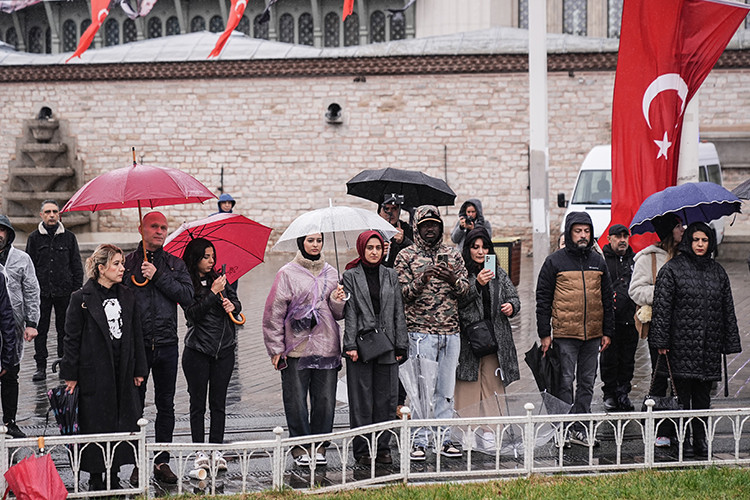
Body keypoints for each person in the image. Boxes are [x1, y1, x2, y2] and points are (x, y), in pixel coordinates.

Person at [649, 222, 741, 459]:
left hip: (708, 347)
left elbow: (727, 309)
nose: (700, 244)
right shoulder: (672, 270)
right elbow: (662, 309)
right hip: (681, 346)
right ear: (689, 241)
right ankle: (683, 439)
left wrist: (729, 342)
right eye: (696, 240)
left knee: (702, 398)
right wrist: (661, 341)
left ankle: (700, 439)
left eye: (705, 240)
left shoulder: (717, 271)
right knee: (682, 397)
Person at [60, 244, 147, 491]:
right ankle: (97, 476)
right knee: (96, 423)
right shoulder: (81, 298)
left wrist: (139, 368)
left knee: (121, 421)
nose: (123, 268)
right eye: (116, 264)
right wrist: (71, 375)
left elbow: (136, 333)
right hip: (94, 373)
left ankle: (115, 471)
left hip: (122, 371)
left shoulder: (127, 296)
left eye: (122, 263)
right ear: (101, 268)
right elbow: (71, 338)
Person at [262, 233, 346, 467]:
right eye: (310, 240)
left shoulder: (331, 272)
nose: (315, 245)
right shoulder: (287, 273)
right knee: (296, 399)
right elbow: (273, 313)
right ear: (301, 243)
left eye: (319, 240)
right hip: (296, 348)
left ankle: (319, 445)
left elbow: (338, 314)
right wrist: (276, 348)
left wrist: (339, 300)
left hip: (326, 346)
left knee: (325, 400)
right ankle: (300, 446)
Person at [395, 205, 470, 461]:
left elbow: (466, 291)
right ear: (416, 227)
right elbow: (402, 294)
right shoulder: (405, 256)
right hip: (420, 332)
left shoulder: (453, 254)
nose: (430, 229)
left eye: (434, 225)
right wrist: (422, 278)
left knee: (445, 390)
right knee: (420, 391)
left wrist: (452, 279)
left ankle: (443, 438)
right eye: (425, 225)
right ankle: (418, 440)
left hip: (450, 333)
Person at [124, 211, 193, 484]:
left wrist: (158, 275)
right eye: (154, 226)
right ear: (141, 228)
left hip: (166, 343)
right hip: (137, 345)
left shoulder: (174, 264)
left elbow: (187, 296)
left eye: (164, 227)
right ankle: (137, 461)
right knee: (134, 405)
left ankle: (161, 460)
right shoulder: (127, 263)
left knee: (166, 404)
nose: (160, 231)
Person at [535, 211, 613, 446]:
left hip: (592, 335)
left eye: (586, 231)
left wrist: (607, 331)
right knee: (565, 382)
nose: (582, 235)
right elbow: (543, 298)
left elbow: (608, 298)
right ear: (569, 232)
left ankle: (581, 428)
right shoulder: (554, 261)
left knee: (587, 383)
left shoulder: (598, 261)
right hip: (565, 334)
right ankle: (563, 429)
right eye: (578, 231)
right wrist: (544, 333)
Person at [342, 231, 408, 466]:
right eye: (369, 247)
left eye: (378, 248)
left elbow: (398, 310)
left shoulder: (390, 274)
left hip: (388, 344)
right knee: (361, 401)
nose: (374, 252)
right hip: (361, 344)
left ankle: (382, 448)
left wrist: (402, 343)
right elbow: (349, 313)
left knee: (387, 399)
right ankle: (362, 450)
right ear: (362, 249)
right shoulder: (350, 275)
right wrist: (349, 344)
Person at [455, 228, 520, 451]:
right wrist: (477, 285)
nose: (480, 252)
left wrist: (511, 307)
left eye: (484, 247)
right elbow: (458, 301)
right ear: (468, 249)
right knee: (468, 385)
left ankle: (491, 430)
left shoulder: (498, 273)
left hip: (495, 338)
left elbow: (513, 297)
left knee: (493, 385)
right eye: (475, 247)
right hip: (470, 340)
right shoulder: (462, 272)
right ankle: (467, 431)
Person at [181, 238, 242, 471]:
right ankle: (199, 451)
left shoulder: (220, 279)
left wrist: (232, 306)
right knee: (198, 404)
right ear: (195, 258)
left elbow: (237, 302)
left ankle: (216, 449)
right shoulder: (187, 283)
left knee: (219, 403)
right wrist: (211, 294)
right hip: (198, 350)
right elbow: (192, 315)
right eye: (206, 257)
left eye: (213, 256)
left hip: (224, 350)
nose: (211, 261)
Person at [628, 212, 684, 448]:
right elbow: (635, 290)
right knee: (660, 378)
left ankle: (681, 428)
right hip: (660, 328)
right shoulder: (648, 258)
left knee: (682, 379)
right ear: (669, 231)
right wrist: (662, 292)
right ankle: (660, 429)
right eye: (679, 226)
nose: (683, 230)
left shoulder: (687, 256)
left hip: (684, 328)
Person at [25, 200, 84, 382]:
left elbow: (76, 265)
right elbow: (29, 267)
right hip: (41, 293)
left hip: (65, 292)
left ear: (59, 215)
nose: (52, 215)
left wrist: (77, 291)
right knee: (40, 330)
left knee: (65, 330)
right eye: (48, 212)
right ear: (41, 215)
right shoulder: (34, 238)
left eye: (55, 212)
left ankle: (63, 363)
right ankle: (40, 366)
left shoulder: (69, 237)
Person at [0, 215, 39, 439]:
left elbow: (32, 291)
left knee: (10, 373)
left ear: (8, 233)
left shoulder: (22, 259)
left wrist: (32, 322)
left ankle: (10, 421)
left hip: (12, 326)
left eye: (2, 230)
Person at [600, 224, 638, 412]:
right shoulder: (602, 260)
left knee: (628, 359)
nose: (622, 240)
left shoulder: (634, 259)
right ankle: (609, 394)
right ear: (610, 238)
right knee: (610, 359)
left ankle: (623, 392)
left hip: (631, 319)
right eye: (618, 236)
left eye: (625, 236)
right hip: (610, 320)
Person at [378, 194, 413, 268]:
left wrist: (403, 241)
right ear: (379, 213)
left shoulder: (407, 229)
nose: (390, 213)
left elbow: (416, 254)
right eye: (386, 209)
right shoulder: (373, 230)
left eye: (394, 209)